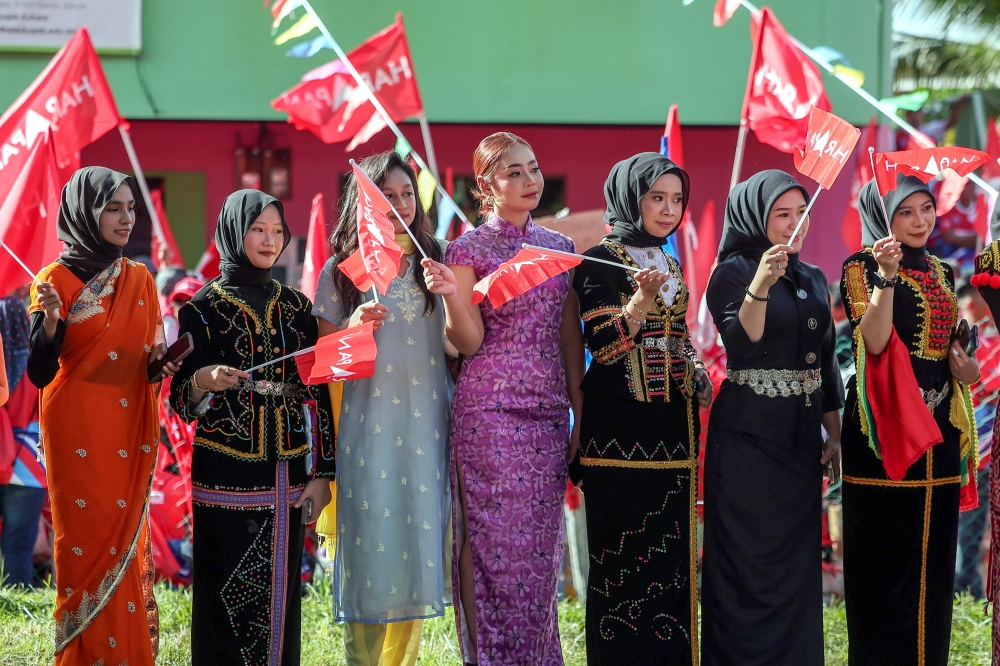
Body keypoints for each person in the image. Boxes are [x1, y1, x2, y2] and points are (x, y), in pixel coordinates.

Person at [421, 131, 586, 665]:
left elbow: (569, 337)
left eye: (533, 168)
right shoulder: (466, 249)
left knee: (539, 548)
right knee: (492, 542)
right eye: (513, 172)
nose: (529, 179)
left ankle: (536, 656)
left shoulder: (559, 247)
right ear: (486, 185)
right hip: (489, 411)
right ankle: (488, 657)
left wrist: (579, 413)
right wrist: (452, 297)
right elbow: (468, 341)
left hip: (547, 413)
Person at [169, 190, 335, 666]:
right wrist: (203, 379)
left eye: (277, 231)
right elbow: (181, 399)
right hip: (223, 470)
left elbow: (319, 391)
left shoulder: (297, 307)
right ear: (233, 232)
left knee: (280, 593)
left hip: (286, 472)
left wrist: (324, 473)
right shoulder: (201, 308)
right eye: (257, 230)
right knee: (223, 592)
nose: (269, 240)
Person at [27, 167, 180, 665]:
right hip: (76, 429)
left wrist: (166, 364)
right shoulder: (52, 280)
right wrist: (52, 320)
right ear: (84, 212)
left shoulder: (140, 279)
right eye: (113, 208)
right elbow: (39, 372)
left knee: (124, 537)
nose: (126, 218)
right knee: (84, 545)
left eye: (130, 208)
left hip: (127, 425)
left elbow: (149, 360)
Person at [571, 153, 712, 665]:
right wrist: (639, 302)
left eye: (677, 199)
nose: (669, 209)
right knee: (622, 568)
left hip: (673, 433)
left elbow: (678, 335)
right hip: (619, 439)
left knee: (671, 565)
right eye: (657, 198)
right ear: (631, 199)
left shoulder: (668, 260)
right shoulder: (599, 259)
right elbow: (605, 347)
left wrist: (696, 371)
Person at [312, 151, 451, 666]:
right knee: (372, 550)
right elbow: (322, 363)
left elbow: (461, 343)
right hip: (367, 432)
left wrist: (452, 294)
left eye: (407, 193)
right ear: (363, 204)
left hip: (428, 430)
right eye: (386, 196)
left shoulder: (437, 260)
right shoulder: (343, 271)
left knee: (416, 548)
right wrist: (353, 328)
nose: (400, 204)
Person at [701, 170, 844, 666]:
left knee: (795, 566)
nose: (794, 224)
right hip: (747, 441)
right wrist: (761, 283)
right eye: (782, 214)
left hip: (800, 440)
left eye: (801, 213)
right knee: (747, 564)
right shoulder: (732, 272)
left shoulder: (814, 277)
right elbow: (743, 345)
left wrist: (834, 432)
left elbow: (825, 362)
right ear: (755, 218)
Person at [840, 175, 980, 665]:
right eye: (905, 212)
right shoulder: (860, 266)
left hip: (938, 430)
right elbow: (875, 342)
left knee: (933, 567)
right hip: (883, 433)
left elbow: (947, 354)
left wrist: (968, 368)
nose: (920, 221)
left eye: (926, 208)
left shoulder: (942, 270)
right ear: (883, 218)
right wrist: (886, 275)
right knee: (885, 569)